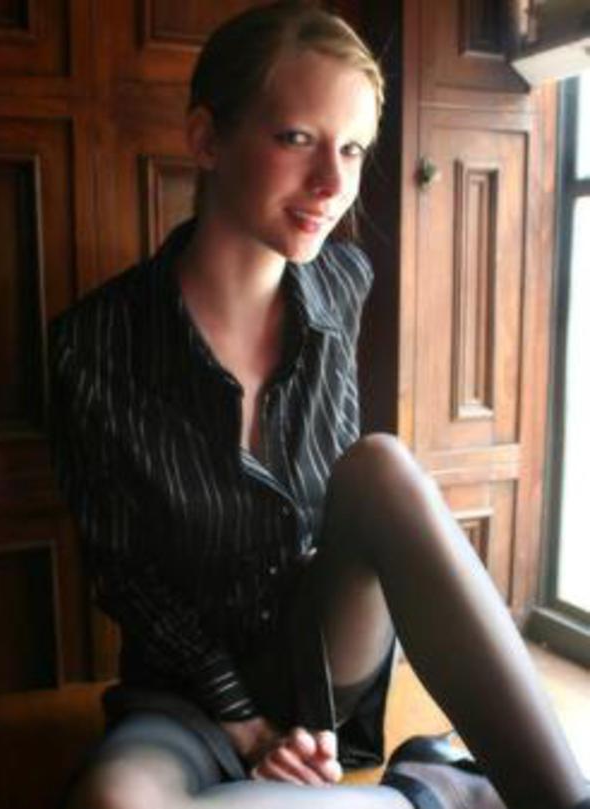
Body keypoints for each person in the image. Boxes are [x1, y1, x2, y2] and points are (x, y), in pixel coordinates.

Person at [49, 3, 590, 809]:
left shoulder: (342, 284)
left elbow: (339, 515)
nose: (334, 183)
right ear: (207, 138)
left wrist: (301, 716)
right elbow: (124, 574)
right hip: (187, 692)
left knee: (378, 465)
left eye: (353, 148)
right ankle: (430, 789)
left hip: (322, 655)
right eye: (297, 138)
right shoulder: (94, 341)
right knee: (111, 801)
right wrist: (244, 724)